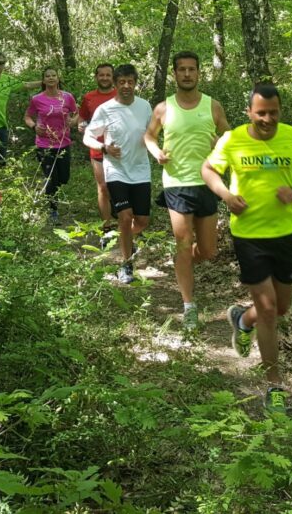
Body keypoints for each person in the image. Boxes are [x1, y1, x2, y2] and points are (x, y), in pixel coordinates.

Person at [202, 82, 292, 414]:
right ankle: (274, 384)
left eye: (273, 112)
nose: (267, 119)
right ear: (249, 113)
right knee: (269, 310)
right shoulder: (233, 138)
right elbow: (208, 169)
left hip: (285, 232)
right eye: (261, 113)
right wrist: (225, 195)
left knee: (280, 308)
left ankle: (242, 319)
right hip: (249, 235)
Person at [144, 51, 230, 331]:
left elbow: (229, 137)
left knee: (207, 251)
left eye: (191, 69)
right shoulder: (163, 108)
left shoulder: (212, 106)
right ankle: (188, 306)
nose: (187, 74)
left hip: (207, 182)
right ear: (175, 74)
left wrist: (221, 143)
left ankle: (182, 262)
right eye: (181, 70)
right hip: (176, 182)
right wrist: (156, 151)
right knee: (183, 242)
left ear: (198, 73)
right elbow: (149, 135)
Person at [82, 64, 153, 284]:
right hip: (116, 170)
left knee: (142, 221)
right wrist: (104, 148)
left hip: (141, 170)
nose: (126, 86)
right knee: (124, 217)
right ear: (115, 84)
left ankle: (125, 238)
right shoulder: (106, 109)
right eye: (121, 82)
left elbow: (153, 133)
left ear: (135, 83)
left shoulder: (145, 106)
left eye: (130, 82)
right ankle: (126, 264)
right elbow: (88, 136)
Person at [24, 67, 78, 224]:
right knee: (50, 178)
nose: (51, 78)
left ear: (58, 78)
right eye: (47, 76)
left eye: (53, 75)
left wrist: (73, 121)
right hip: (44, 144)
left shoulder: (67, 97)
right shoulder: (37, 99)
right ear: (43, 80)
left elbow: (78, 113)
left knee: (64, 177)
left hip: (63, 143)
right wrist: (34, 127)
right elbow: (27, 116)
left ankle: (53, 194)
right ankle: (52, 209)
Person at [78, 63, 117, 238]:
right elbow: (82, 117)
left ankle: (120, 215)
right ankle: (106, 227)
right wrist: (81, 125)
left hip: (118, 150)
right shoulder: (89, 97)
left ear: (113, 77)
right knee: (102, 187)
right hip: (97, 148)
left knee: (118, 187)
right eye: (101, 75)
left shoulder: (120, 95)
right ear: (96, 77)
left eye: (108, 75)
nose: (105, 78)